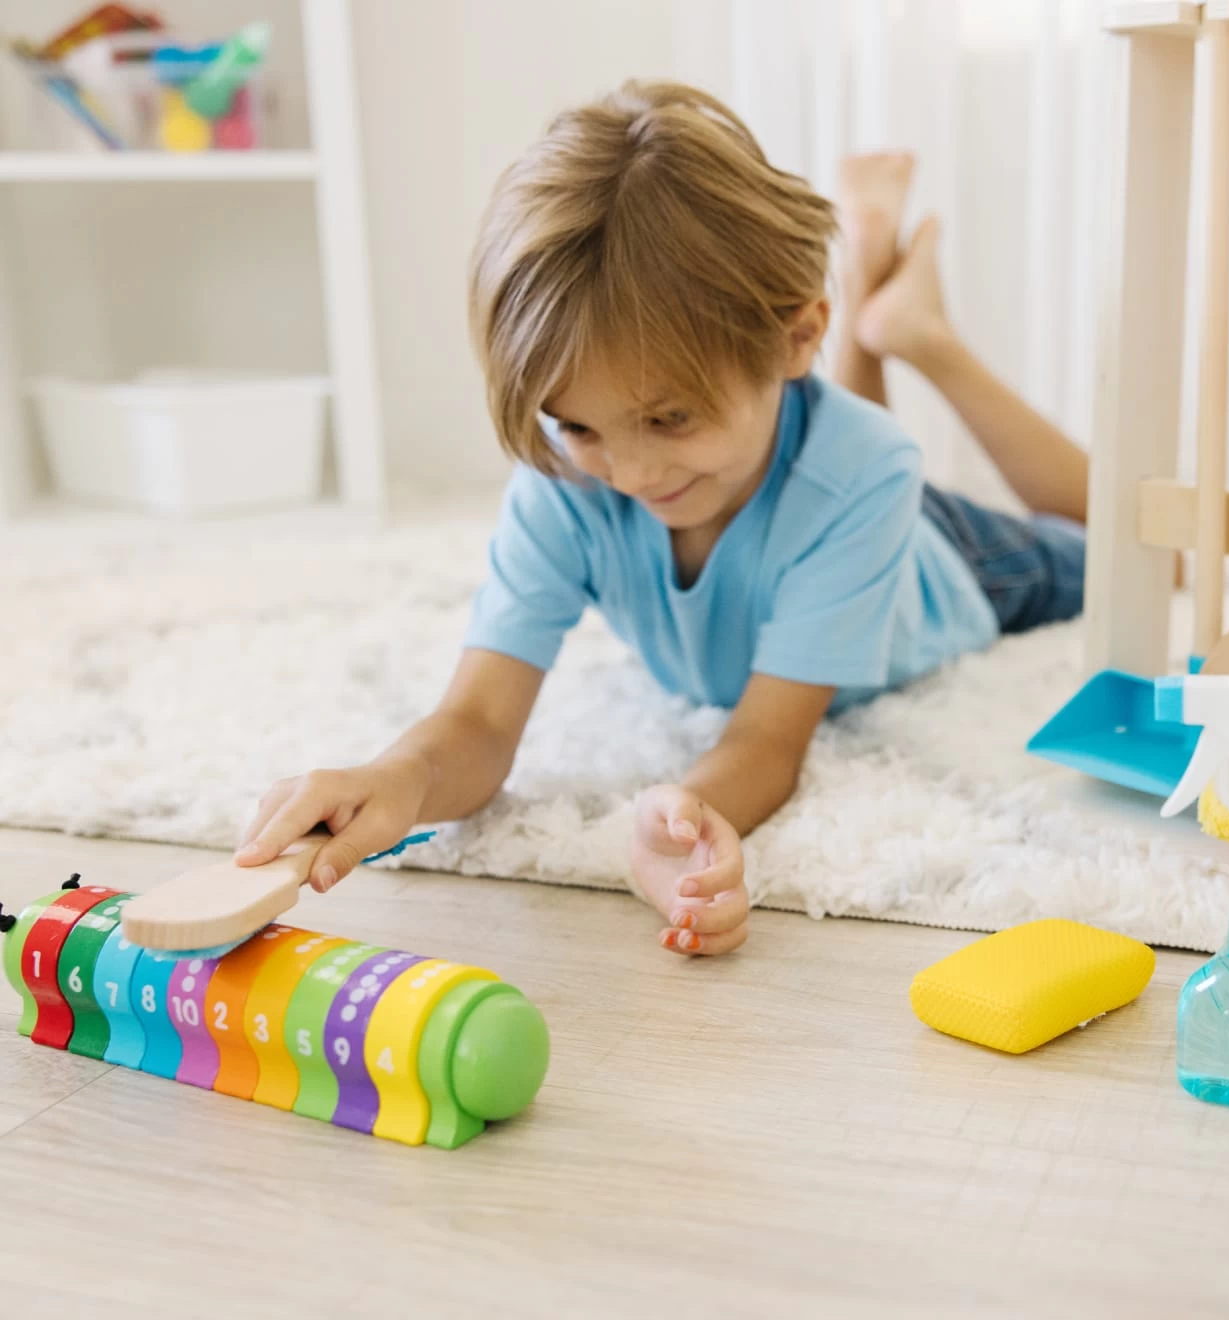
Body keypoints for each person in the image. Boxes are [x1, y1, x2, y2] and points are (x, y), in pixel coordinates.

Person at [236, 81, 1087, 958]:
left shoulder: (867, 475)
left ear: (798, 337)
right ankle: (874, 282)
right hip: (825, 469)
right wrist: (398, 778)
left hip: (952, 561)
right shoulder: (562, 479)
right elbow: (479, 723)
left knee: (1125, 550)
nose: (633, 475)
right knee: (827, 442)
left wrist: (700, 804)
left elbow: (768, 738)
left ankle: (920, 334)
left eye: (670, 418)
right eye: (580, 425)